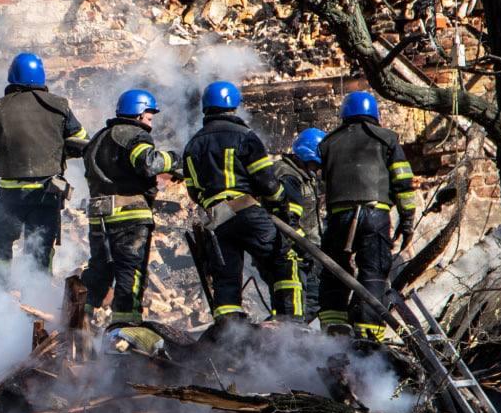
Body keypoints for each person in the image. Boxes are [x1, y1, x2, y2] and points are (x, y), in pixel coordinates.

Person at [181, 81, 303, 333]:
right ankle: (290, 322)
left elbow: (193, 191)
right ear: (234, 106)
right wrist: (281, 204)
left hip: (215, 219)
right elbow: (266, 182)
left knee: (226, 273)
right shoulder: (245, 137)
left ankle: (229, 329)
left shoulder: (192, 145)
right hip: (246, 211)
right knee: (283, 256)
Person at [316, 91, 416, 343]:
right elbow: (403, 182)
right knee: (373, 270)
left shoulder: (328, 142)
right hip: (374, 215)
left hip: (338, 216)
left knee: (333, 269)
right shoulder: (387, 139)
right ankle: (368, 332)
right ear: (375, 114)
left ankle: (333, 326)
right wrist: (407, 221)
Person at [0, 53, 87, 274]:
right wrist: (58, 152)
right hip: (46, 193)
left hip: (11, 194)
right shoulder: (60, 106)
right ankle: (37, 296)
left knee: (0, 242)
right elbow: (81, 142)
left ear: (12, 76)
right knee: (40, 246)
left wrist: (9, 156)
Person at [80, 89, 180, 326]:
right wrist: (174, 158)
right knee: (130, 273)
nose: (150, 122)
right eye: (148, 116)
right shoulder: (134, 135)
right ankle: (124, 333)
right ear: (137, 112)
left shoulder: (99, 137)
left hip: (100, 216)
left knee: (99, 271)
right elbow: (148, 164)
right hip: (129, 216)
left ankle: (76, 323)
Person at [275, 127, 326, 321]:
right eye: (316, 164)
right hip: (296, 249)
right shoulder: (286, 173)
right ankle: (290, 340)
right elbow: (289, 216)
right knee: (299, 303)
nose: (318, 169)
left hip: (308, 248)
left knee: (313, 299)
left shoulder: (305, 175)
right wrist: (304, 248)